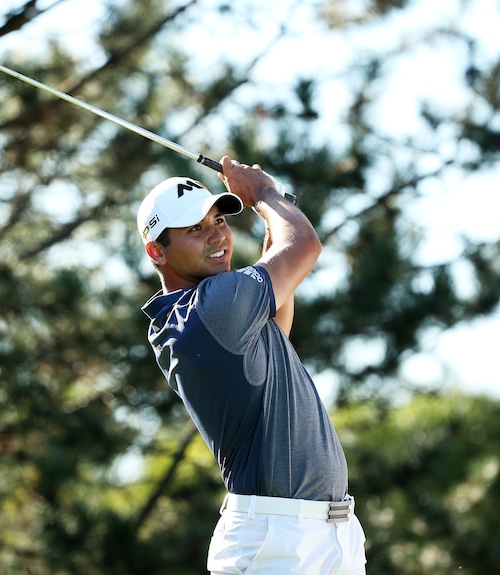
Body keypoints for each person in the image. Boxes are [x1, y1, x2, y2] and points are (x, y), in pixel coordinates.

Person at [137, 156, 367, 574]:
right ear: (157, 252)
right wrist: (264, 193)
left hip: (327, 535)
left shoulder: (206, 310)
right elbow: (304, 248)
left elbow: (278, 318)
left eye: (218, 221)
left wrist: (275, 202)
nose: (216, 236)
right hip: (276, 541)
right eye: (195, 229)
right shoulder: (215, 305)